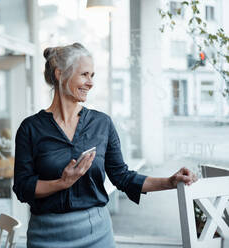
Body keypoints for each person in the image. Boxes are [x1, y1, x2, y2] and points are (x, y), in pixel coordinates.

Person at [12, 43, 197, 248]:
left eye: (92, 75)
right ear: (60, 74)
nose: (90, 83)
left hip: (96, 235)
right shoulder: (30, 128)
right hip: (46, 236)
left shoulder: (102, 124)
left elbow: (122, 177)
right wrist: (61, 183)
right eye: (84, 74)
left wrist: (170, 181)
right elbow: (22, 187)